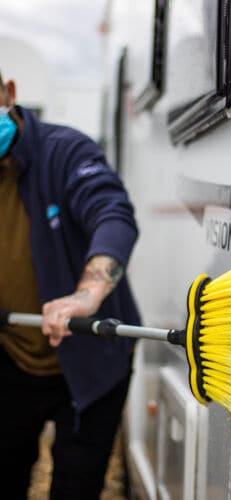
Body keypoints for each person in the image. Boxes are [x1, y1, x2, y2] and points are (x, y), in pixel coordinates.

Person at [0, 72, 140, 499]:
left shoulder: (64, 151)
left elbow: (112, 214)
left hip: (91, 359)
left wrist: (88, 294)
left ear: (9, 93)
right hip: (12, 358)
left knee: (75, 487)